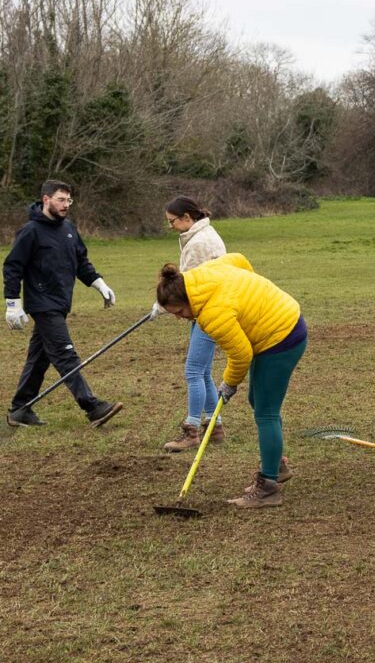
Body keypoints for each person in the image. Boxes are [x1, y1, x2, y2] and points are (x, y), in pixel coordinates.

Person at [156, 253, 307, 508]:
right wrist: (254, 292)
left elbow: (241, 355)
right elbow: (238, 259)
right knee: (257, 400)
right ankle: (277, 464)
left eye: (180, 311)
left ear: (187, 299)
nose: (180, 317)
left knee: (266, 412)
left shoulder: (213, 315)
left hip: (281, 337)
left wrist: (228, 383)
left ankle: (269, 486)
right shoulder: (202, 275)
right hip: (280, 322)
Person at [4, 180, 122, 427]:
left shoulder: (68, 228)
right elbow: (13, 266)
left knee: (40, 357)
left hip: (61, 303)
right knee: (65, 354)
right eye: (61, 199)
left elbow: (81, 262)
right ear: (46, 199)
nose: (66, 204)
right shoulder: (31, 231)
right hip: (43, 305)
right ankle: (92, 407)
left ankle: (20, 410)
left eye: (69, 200)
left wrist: (99, 284)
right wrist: (12, 303)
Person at [155, 196, 229, 452]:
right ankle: (215, 426)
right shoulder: (204, 234)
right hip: (211, 310)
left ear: (187, 217)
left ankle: (192, 430)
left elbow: (187, 285)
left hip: (209, 312)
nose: (171, 226)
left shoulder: (199, 242)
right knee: (203, 371)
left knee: (193, 371)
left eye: (172, 221)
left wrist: (163, 303)